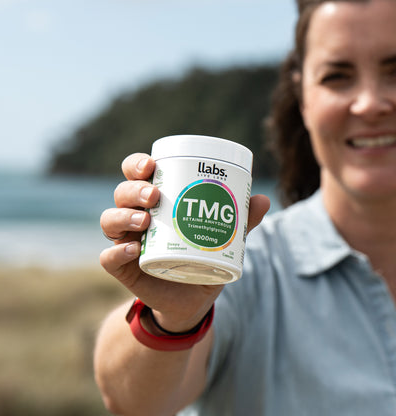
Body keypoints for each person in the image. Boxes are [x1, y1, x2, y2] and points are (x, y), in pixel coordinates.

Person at [94, 0, 396, 414]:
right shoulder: (245, 264)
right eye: (337, 76)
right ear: (303, 97)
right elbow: (133, 401)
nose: (370, 103)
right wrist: (172, 317)